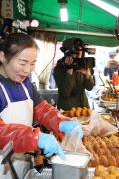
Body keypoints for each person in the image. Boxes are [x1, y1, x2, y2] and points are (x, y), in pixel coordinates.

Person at [0, 33, 83, 178]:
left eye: (32, 63)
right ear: (2, 57)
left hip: (23, 164)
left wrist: (62, 122)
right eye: (22, 62)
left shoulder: (25, 84)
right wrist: (34, 138)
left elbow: (42, 109)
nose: (27, 70)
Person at [54, 38, 94, 111]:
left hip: (83, 108)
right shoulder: (60, 67)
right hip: (67, 110)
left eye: (81, 52)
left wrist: (88, 76)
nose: (79, 55)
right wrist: (69, 72)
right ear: (68, 54)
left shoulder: (83, 64)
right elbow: (65, 92)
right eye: (76, 53)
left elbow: (90, 88)